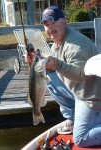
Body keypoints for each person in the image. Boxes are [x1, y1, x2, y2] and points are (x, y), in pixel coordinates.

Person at [24, 6, 101, 147]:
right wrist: (34, 60)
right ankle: (73, 119)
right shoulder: (58, 43)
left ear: (64, 22)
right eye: (47, 24)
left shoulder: (75, 44)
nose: (50, 28)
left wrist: (55, 63)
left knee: (81, 139)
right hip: (83, 93)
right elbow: (48, 63)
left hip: (93, 97)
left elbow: (79, 75)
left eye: (53, 22)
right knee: (51, 81)